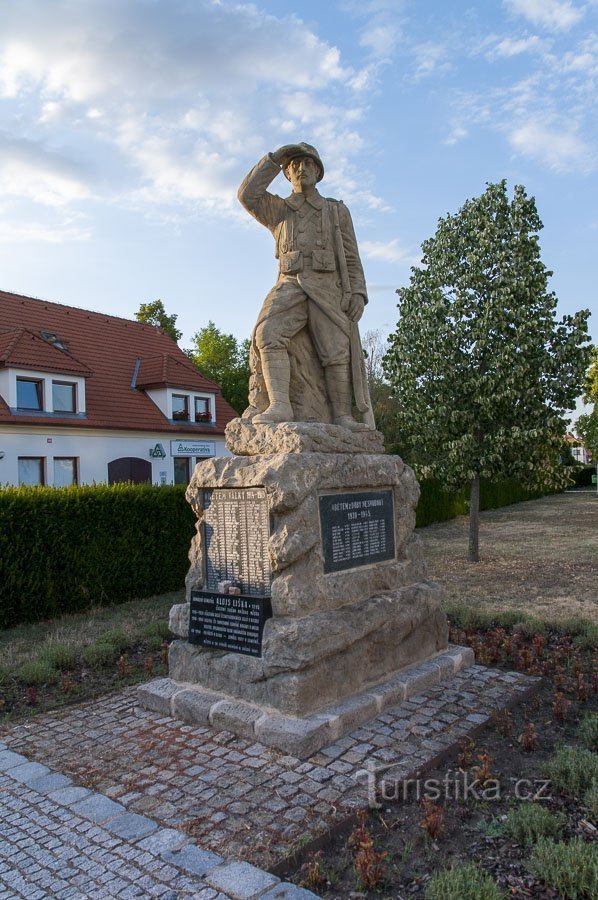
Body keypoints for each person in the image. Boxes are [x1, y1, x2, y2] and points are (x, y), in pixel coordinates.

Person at [237, 142, 374, 431]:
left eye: (307, 164)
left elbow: (351, 255)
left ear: (318, 171)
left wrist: (359, 294)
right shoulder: (279, 210)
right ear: (286, 174)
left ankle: (342, 416)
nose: (301, 169)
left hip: (328, 288)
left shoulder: (336, 211)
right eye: (294, 166)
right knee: (267, 332)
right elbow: (247, 195)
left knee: (336, 351)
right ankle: (279, 405)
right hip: (290, 285)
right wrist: (274, 158)